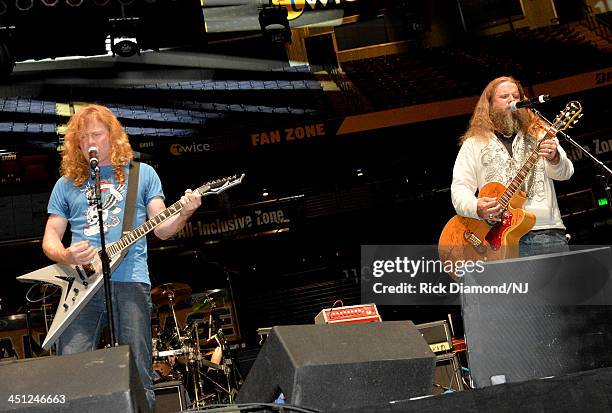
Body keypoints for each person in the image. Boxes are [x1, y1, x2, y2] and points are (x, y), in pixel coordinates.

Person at [41, 104, 202, 410]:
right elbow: (50, 237)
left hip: (130, 281)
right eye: (84, 136)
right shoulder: (65, 185)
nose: (90, 141)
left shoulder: (142, 174)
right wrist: (65, 253)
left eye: (97, 134)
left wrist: (185, 212)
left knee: (137, 368)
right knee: (70, 368)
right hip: (82, 288)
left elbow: (163, 229)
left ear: (113, 136)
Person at [451, 76, 574, 257]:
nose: (512, 100)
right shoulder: (474, 144)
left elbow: (566, 173)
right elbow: (460, 187)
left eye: (516, 96)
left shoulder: (541, 133)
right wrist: (476, 207)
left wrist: (555, 158)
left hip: (546, 232)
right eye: (504, 96)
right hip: (498, 238)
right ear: (489, 105)